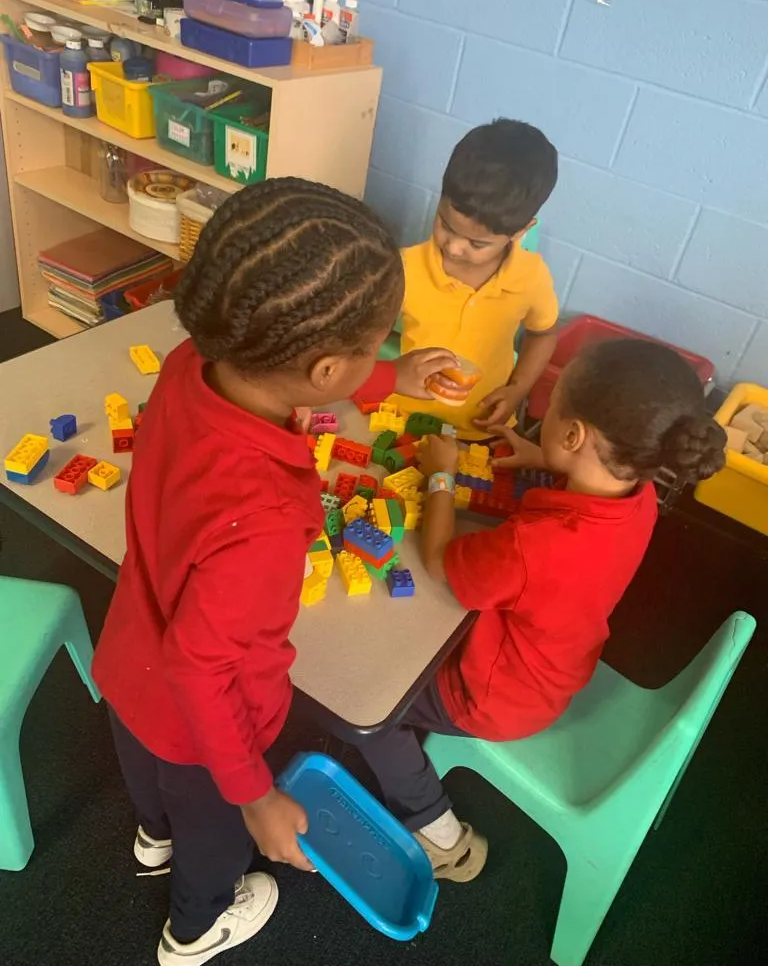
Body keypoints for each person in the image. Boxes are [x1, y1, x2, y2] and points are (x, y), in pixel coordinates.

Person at [91, 177, 460, 966]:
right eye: (377, 345)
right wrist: (255, 796)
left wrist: (394, 378)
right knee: (215, 837)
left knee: (151, 782)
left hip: (127, 660)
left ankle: (151, 835)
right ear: (327, 369)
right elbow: (201, 669)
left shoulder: (199, 360)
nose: (380, 356)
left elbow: (306, 378)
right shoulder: (259, 521)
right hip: (205, 728)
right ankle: (193, 931)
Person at [354, 339, 727, 881]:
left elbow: (438, 562)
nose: (544, 413)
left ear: (574, 435)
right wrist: (543, 459)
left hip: (493, 700)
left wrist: (441, 474)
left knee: (371, 714)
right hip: (558, 665)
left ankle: (442, 839)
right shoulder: (639, 495)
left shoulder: (535, 546)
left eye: (551, 410)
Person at [393, 118, 561, 439]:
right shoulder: (405, 267)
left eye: (477, 243)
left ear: (522, 232)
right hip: (403, 420)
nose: (454, 248)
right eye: (445, 224)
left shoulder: (530, 276)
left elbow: (543, 334)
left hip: (484, 428)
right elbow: (364, 333)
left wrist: (517, 389)